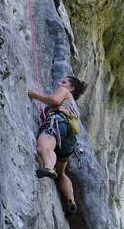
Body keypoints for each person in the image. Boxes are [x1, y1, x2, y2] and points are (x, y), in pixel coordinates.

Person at [28, 76, 88, 215]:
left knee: (44, 147)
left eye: (64, 82)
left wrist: (36, 95)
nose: (59, 83)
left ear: (71, 88)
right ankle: (70, 200)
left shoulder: (64, 92)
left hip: (57, 123)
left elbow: (54, 100)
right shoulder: (74, 106)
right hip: (69, 138)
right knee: (61, 173)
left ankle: (48, 168)